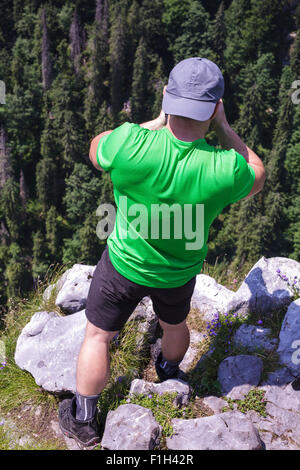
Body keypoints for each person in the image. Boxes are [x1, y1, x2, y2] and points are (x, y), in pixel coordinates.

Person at [59, 57, 266, 447]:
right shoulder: (223, 168)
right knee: (174, 325)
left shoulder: (130, 145)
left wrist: (152, 123)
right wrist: (223, 128)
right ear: (214, 107)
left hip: (123, 266)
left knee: (98, 335)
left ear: (168, 98)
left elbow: (95, 148)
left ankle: (84, 420)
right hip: (177, 273)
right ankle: (168, 369)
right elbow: (257, 171)